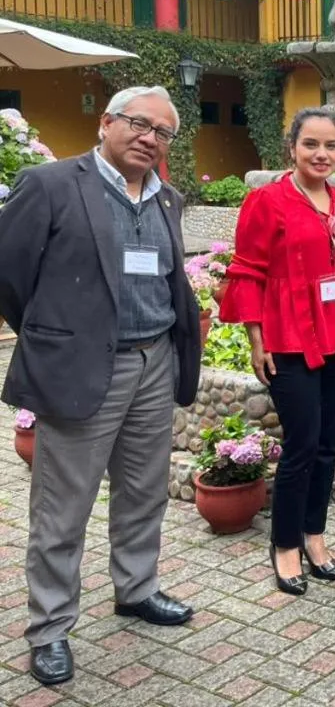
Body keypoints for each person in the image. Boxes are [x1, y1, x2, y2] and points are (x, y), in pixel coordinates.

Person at [0, 87, 200, 686]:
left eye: (163, 133)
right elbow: (10, 275)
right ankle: (50, 629)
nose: (150, 138)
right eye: (140, 125)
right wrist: (53, 336)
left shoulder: (167, 197)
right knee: (63, 508)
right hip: (86, 367)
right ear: (107, 122)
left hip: (154, 362)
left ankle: (135, 589)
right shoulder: (52, 183)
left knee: (144, 492)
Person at [218, 107, 335, 595]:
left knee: (329, 444)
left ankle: (315, 533)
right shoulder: (267, 200)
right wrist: (256, 339)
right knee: (302, 444)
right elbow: (248, 271)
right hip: (288, 337)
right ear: (292, 148)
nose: (322, 154)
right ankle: (284, 543)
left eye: (330, 146)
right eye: (311, 144)